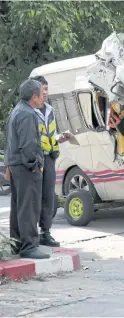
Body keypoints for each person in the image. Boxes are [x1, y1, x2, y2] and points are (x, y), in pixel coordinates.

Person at [4, 79, 48, 259]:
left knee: (19, 206)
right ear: (34, 96)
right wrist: (35, 165)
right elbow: (28, 145)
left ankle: (17, 243)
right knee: (29, 206)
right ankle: (29, 245)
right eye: (41, 94)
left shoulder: (17, 111)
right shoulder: (28, 114)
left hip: (15, 164)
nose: (43, 97)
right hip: (25, 166)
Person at [30, 75, 61, 247]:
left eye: (47, 89)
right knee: (35, 196)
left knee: (49, 196)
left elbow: (51, 133)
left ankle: (45, 232)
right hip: (35, 158)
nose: (46, 93)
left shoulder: (50, 109)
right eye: (43, 89)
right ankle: (31, 233)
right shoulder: (29, 111)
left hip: (49, 157)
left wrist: (58, 142)